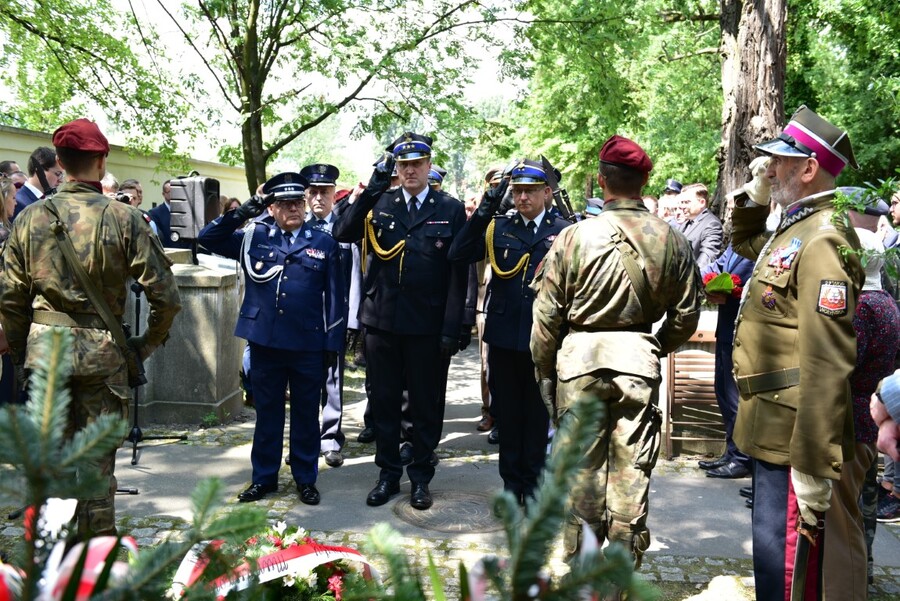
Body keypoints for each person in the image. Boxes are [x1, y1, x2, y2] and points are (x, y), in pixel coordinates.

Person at [0, 119, 182, 536]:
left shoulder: (28, 219)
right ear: (102, 162)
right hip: (104, 358)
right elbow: (167, 298)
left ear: (59, 162)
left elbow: (10, 297)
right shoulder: (126, 218)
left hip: (47, 358)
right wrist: (144, 344)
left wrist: (20, 349)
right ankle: (95, 568)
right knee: (97, 472)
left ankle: (50, 566)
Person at [531, 135, 701, 566]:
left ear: (603, 181)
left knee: (581, 474)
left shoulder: (572, 237)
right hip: (637, 364)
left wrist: (545, 372)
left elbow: (547, 318)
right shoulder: (672, 238)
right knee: (631, 474)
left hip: (579, 364)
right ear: (644, 182)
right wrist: (653, 348)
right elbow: (686, 317)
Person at [729, 105, 864, 599]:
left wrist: (812, 461)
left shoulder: (823, 237)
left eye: (781, 162)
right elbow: (742, 239)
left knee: (787, 569)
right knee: (770, 559)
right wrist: (755, 195)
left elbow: (827, 362)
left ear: (808, 169)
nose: (770, 168)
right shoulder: (798, 225)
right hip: (772, 424)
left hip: (794, 436)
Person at [333, 132, 468, 510]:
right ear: (396, 168)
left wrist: (452, 326)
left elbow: (458, 274)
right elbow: (343, 231)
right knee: (386, 404)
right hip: (383, 322)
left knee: (426, 406)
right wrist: (373, 186)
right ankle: (388, 475)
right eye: (402, 164)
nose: (409, 170)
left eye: (416, 164)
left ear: (428, 166)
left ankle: (421, 477)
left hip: (427, 325)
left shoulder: (450, 208)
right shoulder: (382, 202)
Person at [198, 173, 345, 505]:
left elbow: (336, 298)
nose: (293, 208)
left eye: (297, 201)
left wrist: (333, 345)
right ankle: (264, 478)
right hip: (265, 341)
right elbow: (208, 238)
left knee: (306, 415)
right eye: (284, 203)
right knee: (268, 414)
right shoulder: (255, 236)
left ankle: (306, 478)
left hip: (308, 343)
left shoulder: (323, 241)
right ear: (272, 207)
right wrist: (248, 208)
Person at [449, 159, 571, 504]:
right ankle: (510, 485)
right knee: (508, 416)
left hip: (543, 339)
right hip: (504, 338)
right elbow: (458, 252)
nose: (522, 198)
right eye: (516, 191)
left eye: (530, 191)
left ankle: (531, 488)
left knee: (535, 418)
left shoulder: (563, 231)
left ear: (547, 192)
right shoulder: (496, 228)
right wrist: (489, 203)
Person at [820, 227, 899, 600]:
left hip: (851, 424)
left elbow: (842, 364)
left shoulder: (864, 307)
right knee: (849, 517)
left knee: (841, 523)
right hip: (867, 422)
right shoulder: (886, 303)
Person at [300, 162, 350, 469]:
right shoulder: (296, 227)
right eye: (313, 192)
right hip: (302, 318)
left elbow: (356, 276)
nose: (319, 198)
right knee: (304, 381)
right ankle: (305, 440)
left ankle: (331, 439)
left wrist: (352, 319)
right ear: (306, 195)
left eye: (325, 192)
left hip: (333, 316)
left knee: (332, 380)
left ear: (334, 194)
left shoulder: (346, 228)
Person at [696, 239, 754, 480]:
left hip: (742, 331)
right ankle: (732, 452)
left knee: (734, 397)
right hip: (726, 328)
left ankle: (742, 458)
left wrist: (728, 292)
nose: (732, 209)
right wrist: (704, 279)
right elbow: (717, 268)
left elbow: (743, 283)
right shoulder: (737, 243)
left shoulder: (757, 244)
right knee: (722, 391)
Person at [675, 183, 723, 268]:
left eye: (686, 202)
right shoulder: (686, 223)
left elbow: (707, 259)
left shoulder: (712, 224)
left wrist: (694, 279)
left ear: (702, 202)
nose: (682, 206)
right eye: (681, 202)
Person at [13, 146, 61, 220]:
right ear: (39, 170)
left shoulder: (49, 200)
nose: (60, 180)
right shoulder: (18, 203)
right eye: (58, 174)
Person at [149, 180, 193, 249]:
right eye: (170, 192)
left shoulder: (187, 212)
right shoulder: (155, 213)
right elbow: (158, 238)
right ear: (163, 194)